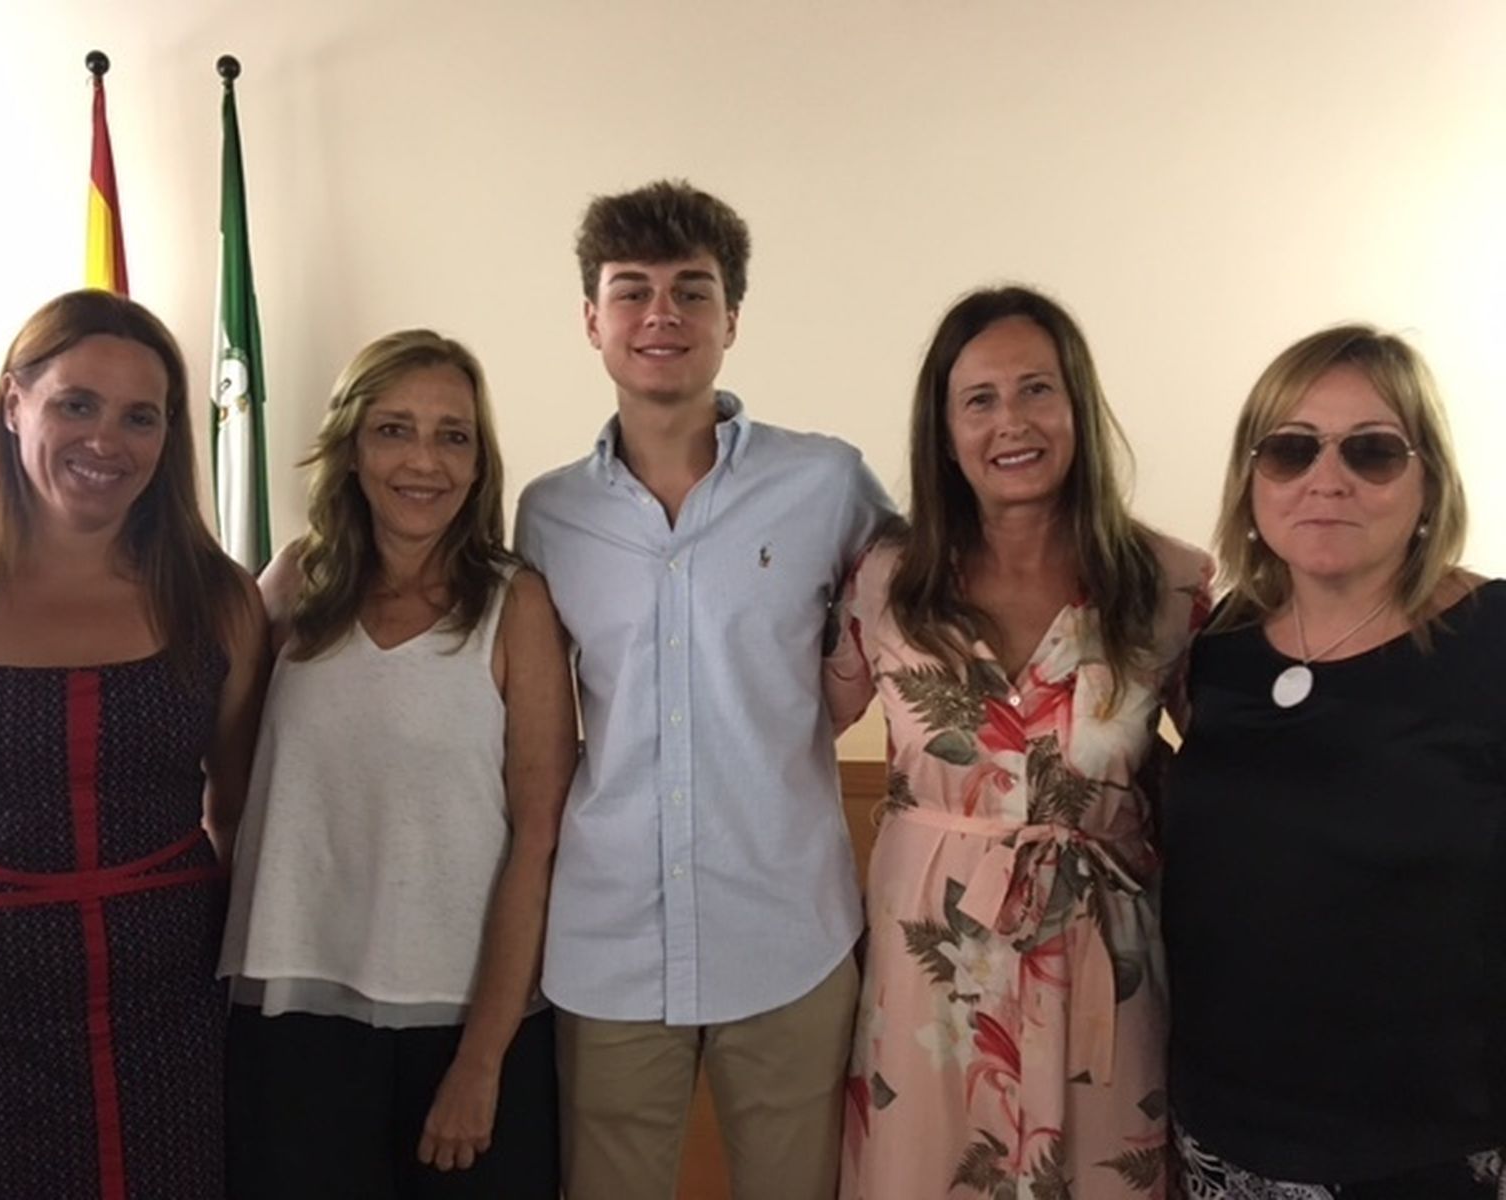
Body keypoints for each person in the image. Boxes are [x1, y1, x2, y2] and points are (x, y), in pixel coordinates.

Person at [514, 179, 895, 1200]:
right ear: (591, 319)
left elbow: (924, 607)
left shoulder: (826, 483)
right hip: (609, 942)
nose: (662, 314)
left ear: (732, 318)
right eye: (631, 290)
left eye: (692, 289)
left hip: (788, 931)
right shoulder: (547, 515)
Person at [825, 286, 1212, 1199]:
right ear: (945, 430)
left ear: (1078, 403)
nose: (1012, 422)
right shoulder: (885, 581)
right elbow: (789, 733)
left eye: (1037, 389)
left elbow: (1237, 775)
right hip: (931, 979)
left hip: (1104, 976)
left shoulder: (1168, 584)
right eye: (980, 399)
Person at [0, 289, 269, 1199]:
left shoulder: (218, 600)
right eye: (77, 403)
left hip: (172, 1015)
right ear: (14, 403)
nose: (107, 440)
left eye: (140, 416)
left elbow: (239, 816)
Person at [219, 329, 574, 1198]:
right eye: (393, 430)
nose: (425, 461)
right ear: (350, 447)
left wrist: (481, 1061)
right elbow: (227, 793)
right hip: (290, 1013)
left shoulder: (516, 603)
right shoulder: (291, 585)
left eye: (453, 436)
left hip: (465, 1023)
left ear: (479, 463)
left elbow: (539, 840)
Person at [1163, 325, 1505, 1199]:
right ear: (1252, 482)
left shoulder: (1492, 639)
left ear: (1429, 482)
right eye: (1291, 449)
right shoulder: (1223, 644)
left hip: (1423, 1150)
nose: (1327, 479)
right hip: (1223, 1134)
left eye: (1372, 451)